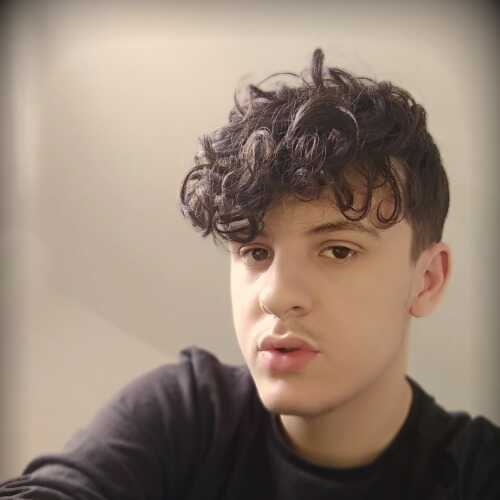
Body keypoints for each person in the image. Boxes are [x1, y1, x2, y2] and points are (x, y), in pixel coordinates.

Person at [1, 47, 499, 500]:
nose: (276, 296)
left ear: (427, 280)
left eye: (338, 251)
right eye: (256, 252)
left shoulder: (480, 472)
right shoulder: (185, 415)